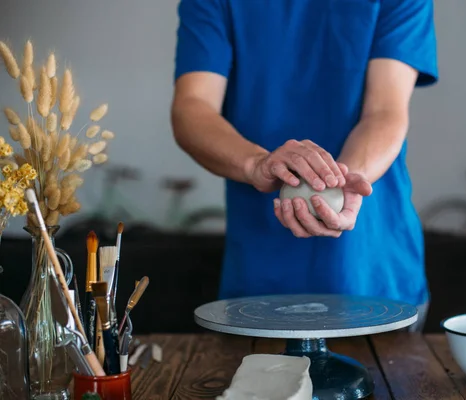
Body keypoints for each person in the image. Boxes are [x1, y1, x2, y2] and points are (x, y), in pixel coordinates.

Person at [171, 0, 438, 331]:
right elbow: (191, 107)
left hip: (375, 275)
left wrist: (344, 181)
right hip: (260, 280)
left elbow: (385, 110)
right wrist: (257, 163)